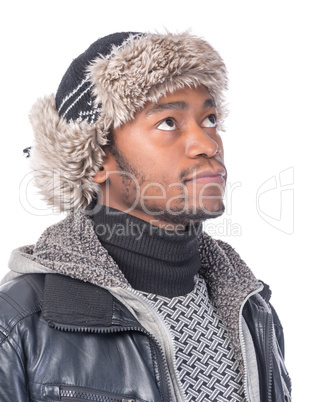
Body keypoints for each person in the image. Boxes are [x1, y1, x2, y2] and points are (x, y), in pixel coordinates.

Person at [0, 31, 291, 402]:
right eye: (169, 122)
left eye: (210, 118)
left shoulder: (252, 309)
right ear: (98, 157)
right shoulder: (19, 324)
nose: (208, 144)